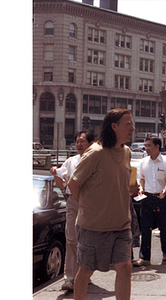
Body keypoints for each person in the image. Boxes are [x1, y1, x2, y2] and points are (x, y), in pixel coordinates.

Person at [67, 109, 135, 300]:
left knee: (125, 268)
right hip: (93, 227)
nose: (133, 128)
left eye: (132, 123)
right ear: (114, 126)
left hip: (122, 226)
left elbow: (127, 183)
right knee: (86, 271)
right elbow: (73, 183)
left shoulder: (127, 152)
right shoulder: (95, 152)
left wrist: (132, 188)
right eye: (128, 124)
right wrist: (88, 207)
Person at [49, 130, 94, 291]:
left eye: (82, 141)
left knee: (88, 241)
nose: (79, 144)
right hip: (73, 202)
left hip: (91, 203)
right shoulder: (70, 161)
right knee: (71, 240)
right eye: (77, 142)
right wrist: (55, 175)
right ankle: (70, 278)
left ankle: (85, 272)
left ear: (91, 143)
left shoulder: (95, 160)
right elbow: (62, 185)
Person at [133, 137, 166, 267]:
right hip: (147, 199)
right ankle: (144, 257)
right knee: (145, 228)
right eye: (145, 145)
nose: (146, 148)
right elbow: (142, 178)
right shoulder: (144, 162)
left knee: (163, 227)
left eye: (149, 145)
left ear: (157, 146)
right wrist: (141, 188)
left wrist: (165, 189)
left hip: (162, 198)